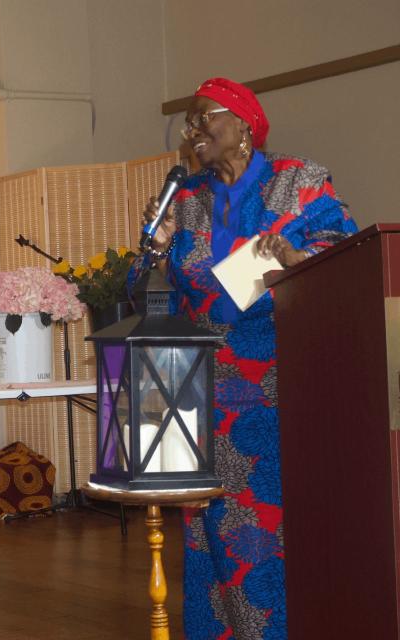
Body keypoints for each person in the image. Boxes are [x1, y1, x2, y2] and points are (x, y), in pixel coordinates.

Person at [137, 77, 358, 639]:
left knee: (267, 532)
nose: (193, 132)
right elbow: (150, 293)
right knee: (210, 532)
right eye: (188, 123)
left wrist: (298, 257)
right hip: (202, 383)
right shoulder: (187, 200)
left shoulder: (300, 180)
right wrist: (156, 250)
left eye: (203, 117)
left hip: (279, 381)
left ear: (242, 123)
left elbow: (346, 252)